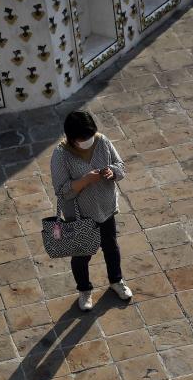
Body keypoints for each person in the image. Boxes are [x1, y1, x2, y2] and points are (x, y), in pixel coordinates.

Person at [50, 109, 132, 311]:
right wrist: (85, 180)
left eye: (90, 135)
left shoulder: (102, 141)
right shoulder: (61, 155)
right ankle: (84, 290)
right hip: (81, 216)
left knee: (111, 247)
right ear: (71, 137)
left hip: (106, 209)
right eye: (83, 137)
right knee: (81, 255)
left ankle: (116, 281)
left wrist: (112, 172)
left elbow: (121, 166)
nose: (88, 140)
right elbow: (61, 191)